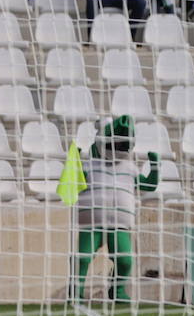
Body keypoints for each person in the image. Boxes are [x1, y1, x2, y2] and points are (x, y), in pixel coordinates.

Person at [68, 114, 158, 303]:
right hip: (91, 223)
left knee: (125, 260)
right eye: (113, 143)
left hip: (119, 225)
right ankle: (75, 292)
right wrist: (73, 160)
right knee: (82, 258)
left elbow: (149, 185)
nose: (117, 148)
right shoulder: (89, 165)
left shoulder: (130, 168)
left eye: (121, 144)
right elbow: (71, 184)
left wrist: (155, 166)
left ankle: (116, 291)